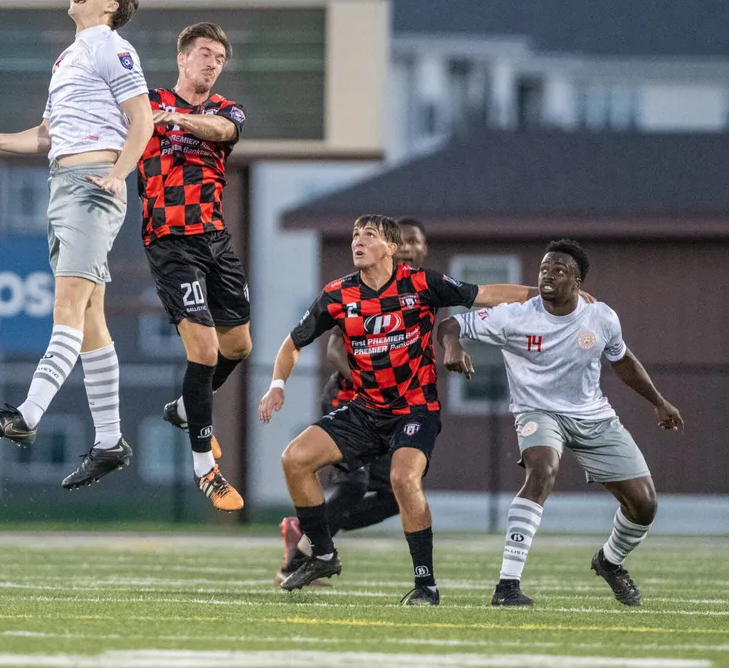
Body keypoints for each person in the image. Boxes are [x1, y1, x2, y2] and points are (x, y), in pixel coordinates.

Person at [259, 214, 536, 605]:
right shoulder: (338, 294)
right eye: (355, 234)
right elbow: (293, 342)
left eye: (368, 235)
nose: (357, 241)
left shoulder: (421, 283)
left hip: (414, 409)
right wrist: (276, 386)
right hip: (365, 409)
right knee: (294, 459)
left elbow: (486, 293)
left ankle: (426, 585)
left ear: (391, 247)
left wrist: (542, 293)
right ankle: (322, 553)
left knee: (402, 481)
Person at [0, 0, 153, 489]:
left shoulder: (111, 46)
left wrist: (117, 175)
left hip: (93, 184)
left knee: (67, 306)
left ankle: (28, 416)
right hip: (64, 186)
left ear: (111, 5)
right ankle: (110, 442)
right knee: (90, 317)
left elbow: (143, 118)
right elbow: (49, 134)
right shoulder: (69, 55)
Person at [437, 239, 682, 607]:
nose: (548, 275)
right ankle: (507, 586)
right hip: (537, 411)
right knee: (542, 470)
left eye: (559, 270)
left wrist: (658, 401)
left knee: (645, 505)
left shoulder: (602, 317)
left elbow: (622, 361)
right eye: (544, 268)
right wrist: (453, 347)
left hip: (592, 414)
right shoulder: (515, 315)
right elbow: (450, 323)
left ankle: (610, 562)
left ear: (578, 281)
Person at [139, 22, 251, 512]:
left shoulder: (224, 110)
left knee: (239, 346)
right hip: (170, 241)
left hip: (215, 239)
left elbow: (225, 131)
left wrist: (177, 121)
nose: (212, 63)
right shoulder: (145, 100)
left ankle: (185, 408)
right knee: (203, 351)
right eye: (204, 54)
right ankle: (205, 467)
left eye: (219, 57)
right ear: (182, 58)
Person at [280, 219, 428, 571]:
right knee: (352, 486)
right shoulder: (365, 285)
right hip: (351, 401)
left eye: (415, 242)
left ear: (424, 248)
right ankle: (301, 558)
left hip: (394, 410)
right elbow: (334, 347)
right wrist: (369, 382)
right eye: (402, 241)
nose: (408, 247)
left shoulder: (422, 288)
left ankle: (307, 532)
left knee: (395, 496)